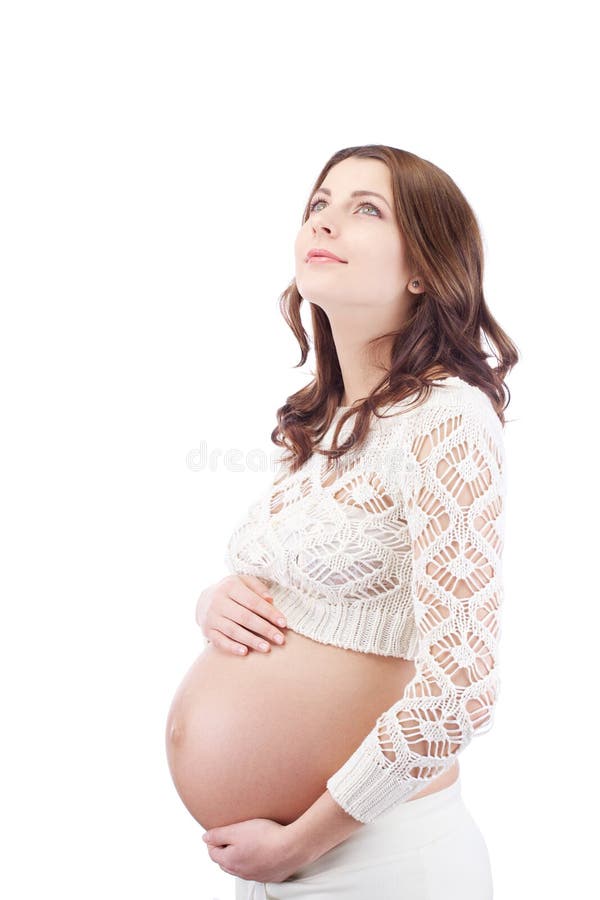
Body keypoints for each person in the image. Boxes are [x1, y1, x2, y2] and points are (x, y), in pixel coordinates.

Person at [202, 144, 519, 899]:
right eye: (319, 203)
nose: (327, 221)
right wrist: (217, 604)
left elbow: (461, 691)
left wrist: (300, 843)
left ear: (422, 269)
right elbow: (311, 592)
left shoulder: (448, 418)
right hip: (279, 861)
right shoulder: (326, 423)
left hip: (380, 859)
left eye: (365, 209)